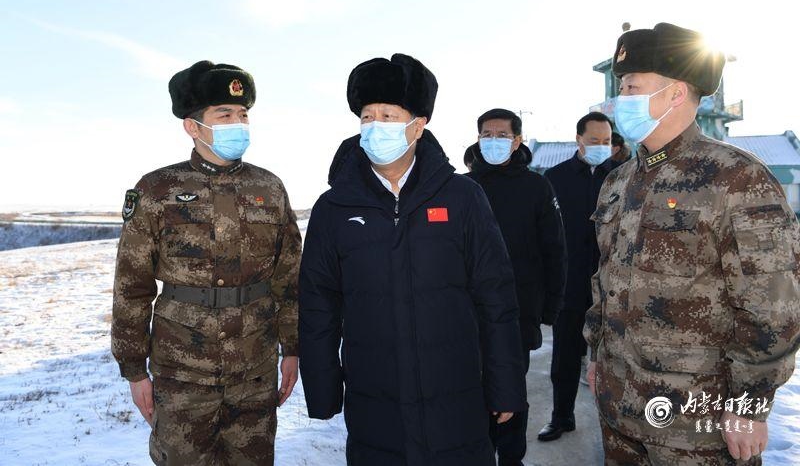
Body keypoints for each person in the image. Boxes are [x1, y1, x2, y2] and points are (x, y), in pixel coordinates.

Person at [584, 23, 800, 465]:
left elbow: (774, 304)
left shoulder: (736, 177)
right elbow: (605, 279)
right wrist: (596, 353)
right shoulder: (618, 181)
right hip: (620, 406)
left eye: (631, 87)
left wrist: (749, 405)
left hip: (697, 423)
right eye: (620, 88)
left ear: (676, 94)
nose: (620, 99)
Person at [299, 54, 527, 466]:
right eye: (367, 117)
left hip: (456, 398)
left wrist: (506, 384)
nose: (375, 126)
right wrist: (322, 388)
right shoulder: (333, 208)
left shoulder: (462, 197)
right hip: (374, 403)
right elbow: (318, 305)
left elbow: (496, 297)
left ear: (418, 125)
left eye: (388, 115)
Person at [111, 61, 302, 465]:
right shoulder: (157, 189)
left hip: (254, 368)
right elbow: (132, 285)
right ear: (193, 127)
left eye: (243, 115)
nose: (238, 124)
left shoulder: (269, 187)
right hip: (182, 373)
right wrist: (134, 369)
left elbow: (290, 278)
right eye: (225, 115)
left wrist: (293, 348)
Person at [465, 108, 567, 465]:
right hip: (467, 313)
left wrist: (549, 308)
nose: (493, 141)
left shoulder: (536, 187)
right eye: (487, 135)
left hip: (518, 311)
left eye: (502, 135)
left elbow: (555, 250)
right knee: (470, 393)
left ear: (517, 140)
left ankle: (511, 458)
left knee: (509, 389)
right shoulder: (462, 187)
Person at [539, 111, 617, 442]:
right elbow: (544, 233)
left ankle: (616, 427)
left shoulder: (622, 176)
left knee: (614, 359)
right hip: (570, 282)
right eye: (594, 140)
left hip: (613, 286)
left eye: (606, 141)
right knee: (565, 356)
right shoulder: (554, 178)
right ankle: (561, 416)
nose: (601, 146)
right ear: (579, 140)